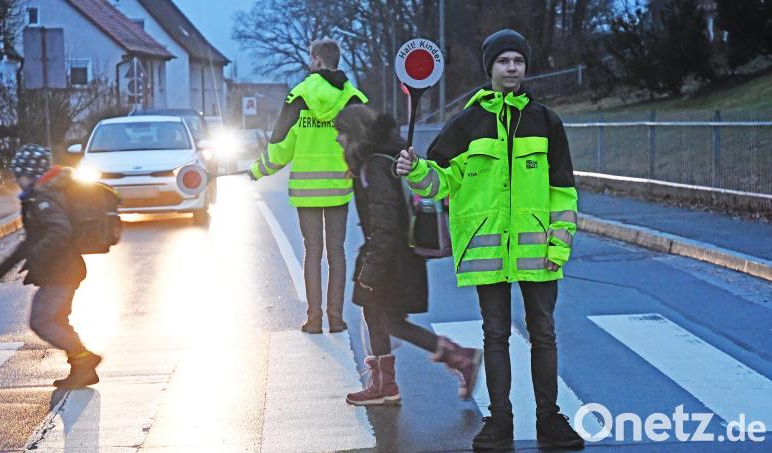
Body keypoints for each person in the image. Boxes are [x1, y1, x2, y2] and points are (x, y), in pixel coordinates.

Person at [395, 29, 584, 449]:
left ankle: (550, 420)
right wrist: (416, 170)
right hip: (488, 252)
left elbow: (563, 190)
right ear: (491, 68)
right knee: (495, 336)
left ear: (525, 67)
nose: (512, 68)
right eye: (504, 61)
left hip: (539, 253)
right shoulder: (467, 123)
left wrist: (558, 243)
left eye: (518, 60)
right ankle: (500, 422)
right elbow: (441, 182)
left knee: (544, 334)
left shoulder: (547, 121)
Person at [334, 105, 483, 406]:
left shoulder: (374, 165)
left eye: (341, 132)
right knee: (378, 315)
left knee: (387, 319)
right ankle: (387, 384)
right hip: (395, 254)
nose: (337, 139)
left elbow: (386, 222)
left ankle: (458, 358)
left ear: (355, 133)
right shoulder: (383, 157)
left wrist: (371, 269)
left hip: (391, 257)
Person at [248, 39, 367, 334]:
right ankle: (336, 319)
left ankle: (314, 319)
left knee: (312, 252)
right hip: (339, 188)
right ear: (337, 60)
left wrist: (256, 170)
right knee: (337, 252)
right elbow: (369, 141)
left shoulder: (298, 96)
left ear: (316, 60)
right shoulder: (353, 98)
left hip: (306, 191)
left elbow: (281, 147)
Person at [0, 144, 102, 389]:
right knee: (58, 319)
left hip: (61, 272)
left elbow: (60, 231)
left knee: (42, 320)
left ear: (30, 173)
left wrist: (37, 257)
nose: (17, 179)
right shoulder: (39, 195)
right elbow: (32, 238)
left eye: (19, 174)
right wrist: (7, 264)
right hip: (63, 270)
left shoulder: (44, 198)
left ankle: (85, 359)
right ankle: (82, 368)